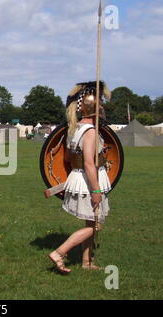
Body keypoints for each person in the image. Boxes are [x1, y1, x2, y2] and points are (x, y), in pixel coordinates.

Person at [48, 81, 112, 274]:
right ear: (95, 109)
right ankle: (59, 252)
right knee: (96, 225)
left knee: (91, 223)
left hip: (78, 179)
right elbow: (89, 163)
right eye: (100, 104)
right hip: (88, 182)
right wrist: (96, 190)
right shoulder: (91, 131)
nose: (102, 107)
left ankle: (86, 262)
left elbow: (68, 158)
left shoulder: (74, 128)